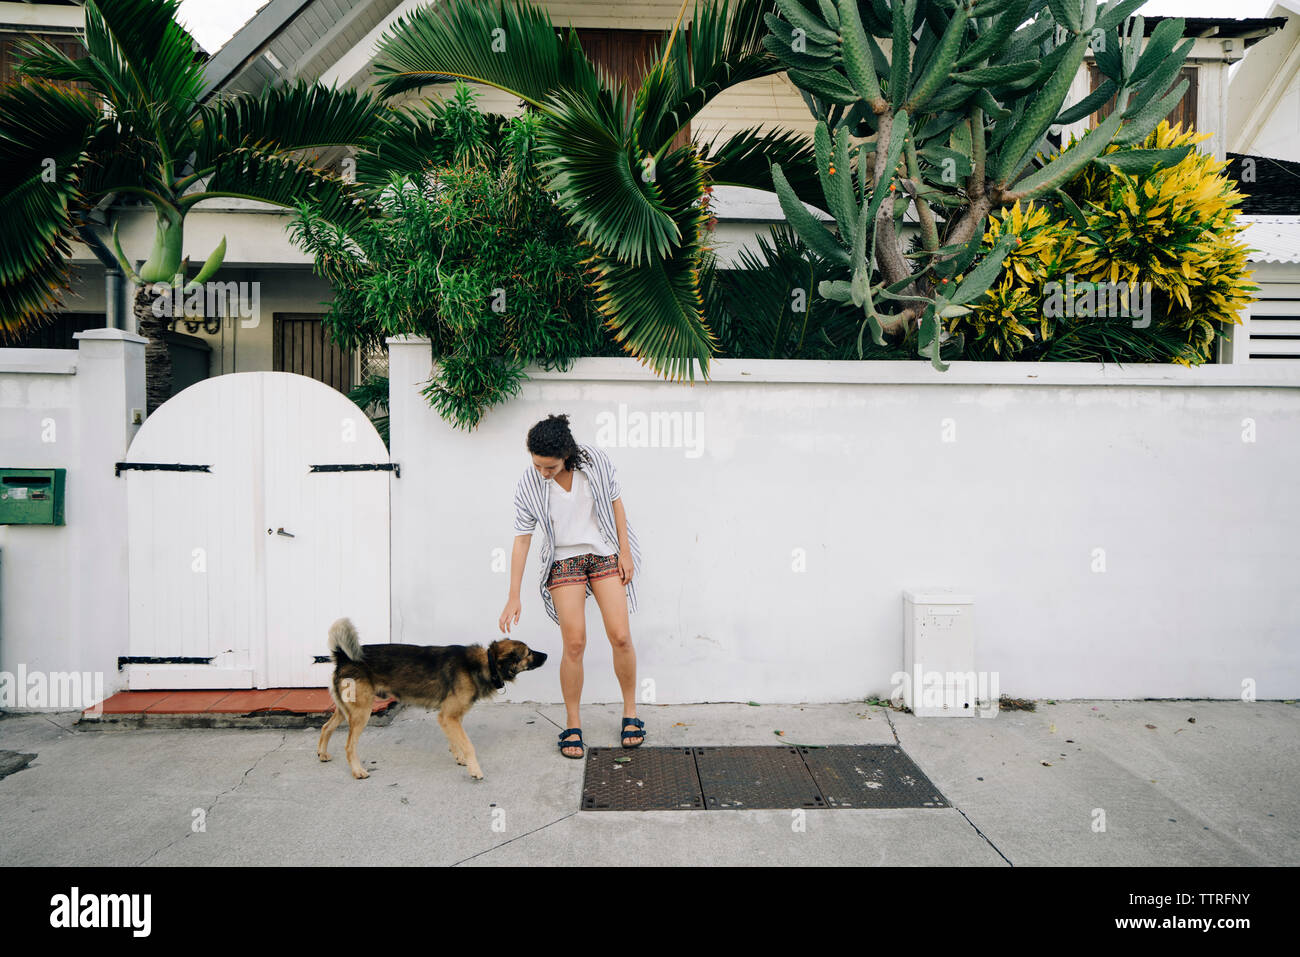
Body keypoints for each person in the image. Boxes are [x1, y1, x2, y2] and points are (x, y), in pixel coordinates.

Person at [499, 414, 645, 759]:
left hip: (603, 552)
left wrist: (624, 552)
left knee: (620, 636)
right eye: (537, 465)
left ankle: (630, 713)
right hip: (563, 559)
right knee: (575, 643)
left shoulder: (595, 461)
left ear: (566, 454)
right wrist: (513, 595)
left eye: (548, 467)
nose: (542, 472)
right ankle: (573, 723)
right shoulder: (529, 483)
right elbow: (522, 541)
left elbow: (616, 504)